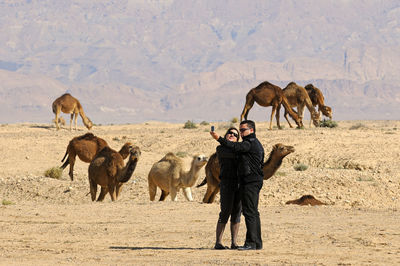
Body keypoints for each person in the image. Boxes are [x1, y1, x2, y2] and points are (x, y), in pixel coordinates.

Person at [210, 120, 264, 250]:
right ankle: (255, 243)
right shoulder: (228, 148)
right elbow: (233, 150)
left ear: (251, 130)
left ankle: (251, 243)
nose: (237, 134)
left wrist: (219, 138)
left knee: (247, 213)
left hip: (248, 182)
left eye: (240, 131)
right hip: (230, 184)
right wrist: (226, 143)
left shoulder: (248, 144)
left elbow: (237, 148)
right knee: (229, 212)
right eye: (232, 133)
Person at [212, 127, 242, 250]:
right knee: (225, 212)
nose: (231, 135)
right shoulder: (220, 149)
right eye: (229, 133)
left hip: (239, 185)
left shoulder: (240, 150)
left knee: (236, 213)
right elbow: (231, 153)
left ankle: (234, 243)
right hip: (226, 184)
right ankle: (218, 242)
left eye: (235, 134)